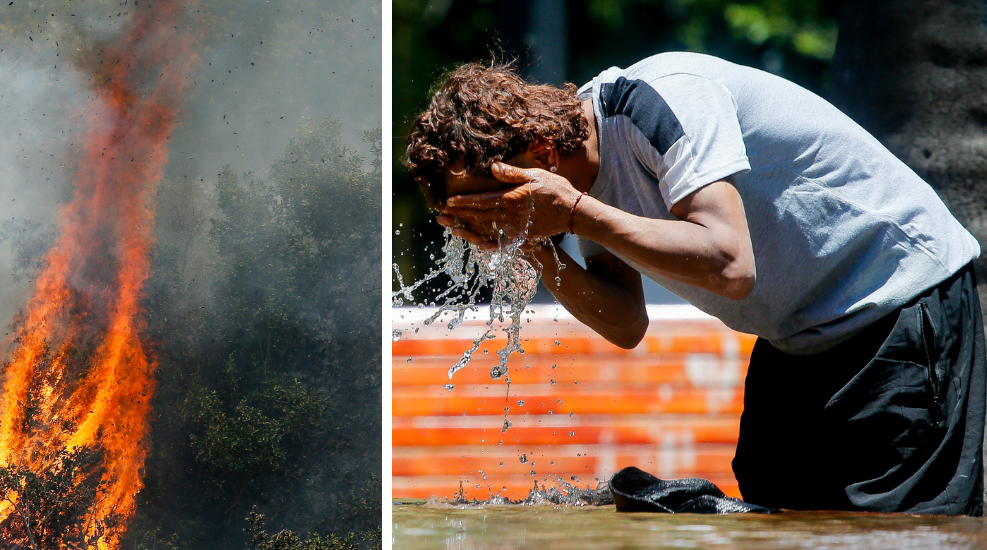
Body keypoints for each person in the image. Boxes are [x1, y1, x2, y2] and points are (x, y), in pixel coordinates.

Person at [403, 52, 985, 516]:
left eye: (495, 203)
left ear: (540, 153)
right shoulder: (579, 179)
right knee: (777, 520)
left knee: (900, 538)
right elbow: (625, 322)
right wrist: (529, 243)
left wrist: (574, 213)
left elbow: (731, 265)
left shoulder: (658, 102)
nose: (495, 219)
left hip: (898, 302)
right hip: (801, 337)